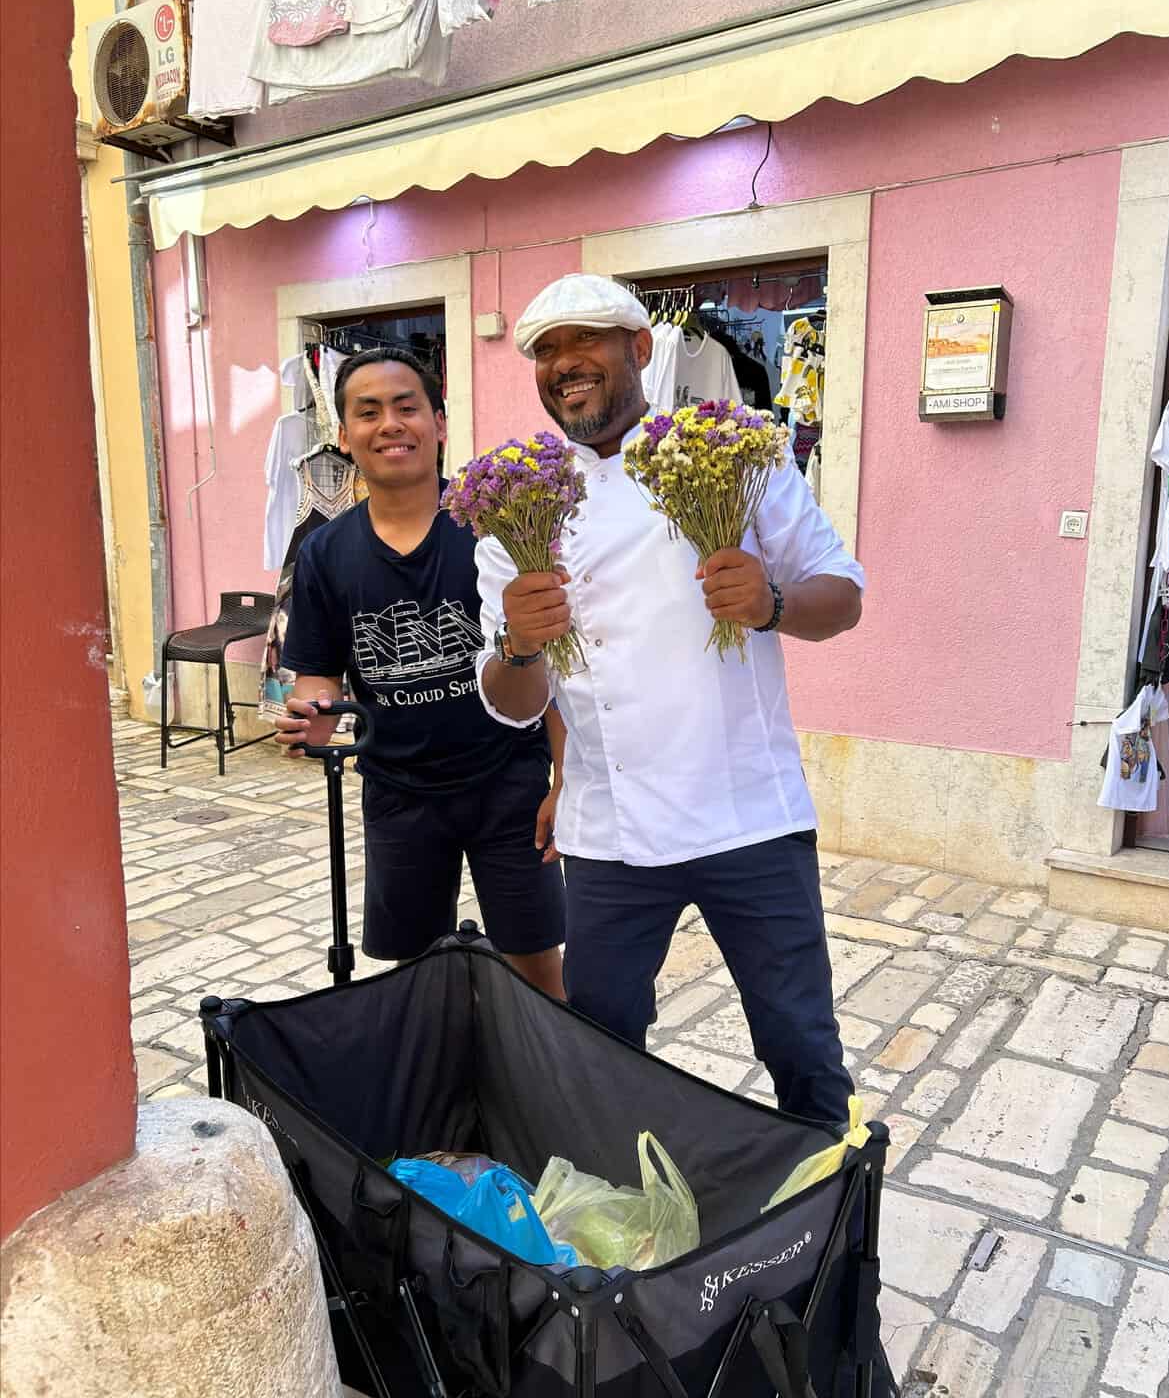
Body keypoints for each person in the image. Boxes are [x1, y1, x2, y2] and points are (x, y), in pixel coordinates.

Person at [474, 274, 864, 1122]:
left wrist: (773, 605)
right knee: (603, 1039)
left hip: (747, 812)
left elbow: (845, 596)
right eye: (546, 351)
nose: (564, 365)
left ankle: (837, 1229)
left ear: (641, 350)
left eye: (586, 343)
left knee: (801, 1045)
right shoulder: (518, 506)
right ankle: (626, 1211)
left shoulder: (737, 456)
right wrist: (518, 643)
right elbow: (512, 699)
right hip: (609, 829)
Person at [274, 346, 565, 997]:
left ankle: (546, 1088)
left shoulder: (496, 529)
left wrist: (563, 778)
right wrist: (308, 717)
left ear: (438, 420)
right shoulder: (324, 552)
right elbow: (316, 678)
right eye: (368, 412)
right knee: (416, 980)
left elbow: (554, 665)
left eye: (407, 407)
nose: (390, 424)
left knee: (538, 971)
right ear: (344, 436)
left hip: (510, 784)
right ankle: (438, 1089)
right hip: (398, 792)